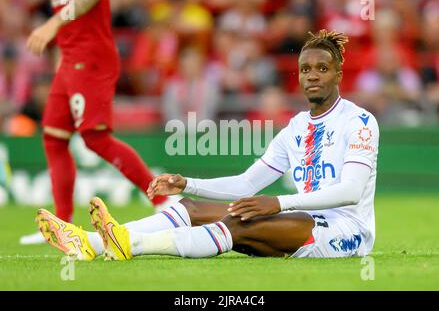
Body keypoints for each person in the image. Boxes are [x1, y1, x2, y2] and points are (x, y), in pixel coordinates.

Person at [36, 30, 379, 260]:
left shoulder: (359, 121)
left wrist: (278, 202)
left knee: (240, 223)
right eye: (306, 69)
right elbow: (247, 183)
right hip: (301, 217)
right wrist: (189, 183)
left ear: (338, 74)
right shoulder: (296, 127)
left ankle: (131, 244)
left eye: (322, 68)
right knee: (193, 207)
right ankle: (90, 243)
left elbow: (350, 191)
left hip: (346, 232)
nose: (312, 75)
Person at [20, 0, 174, 245]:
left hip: (91, 58)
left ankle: (162, 200)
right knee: (54, 139)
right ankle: (62, 225)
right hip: (69, 62)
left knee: (95, 139)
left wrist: (51, 24)